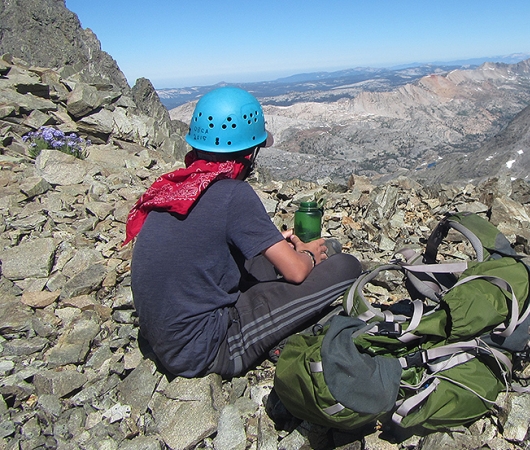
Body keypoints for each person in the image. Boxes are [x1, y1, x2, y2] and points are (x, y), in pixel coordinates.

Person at [124, 87, 362, 378]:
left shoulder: (176, 188)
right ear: (249, 153)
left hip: (161, 336)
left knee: (264, 260)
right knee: (346, 266)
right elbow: (297, 273)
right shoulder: (233, 193)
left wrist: (280, 246)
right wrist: (307, 256)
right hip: (206, 349)